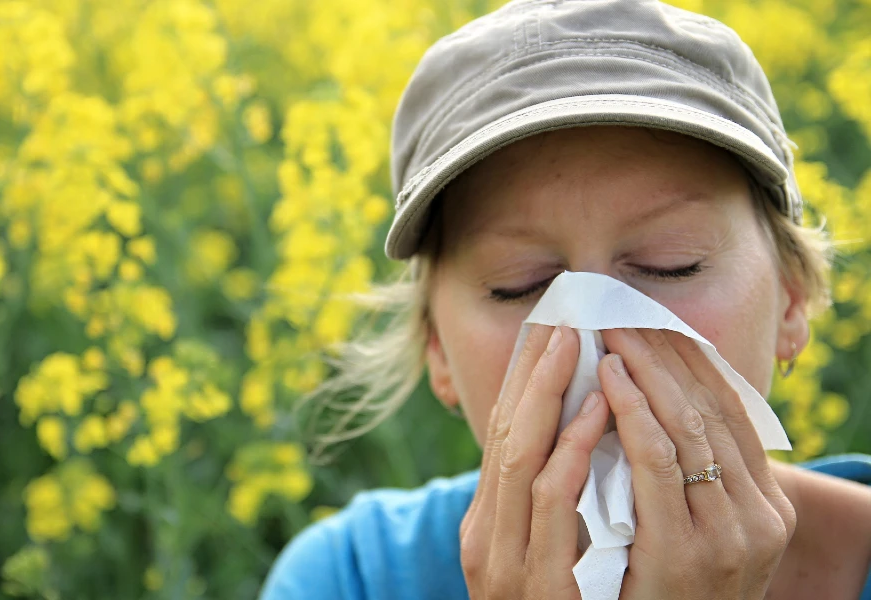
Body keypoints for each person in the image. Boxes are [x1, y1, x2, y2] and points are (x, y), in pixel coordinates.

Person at [260, 1, 871, 598]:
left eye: (671, 263)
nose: (595, 334)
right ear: (437, 349)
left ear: (792, 301)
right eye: (520, 284)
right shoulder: (350, 579)